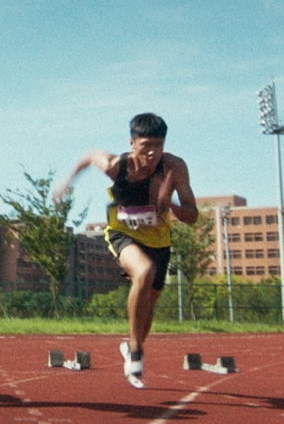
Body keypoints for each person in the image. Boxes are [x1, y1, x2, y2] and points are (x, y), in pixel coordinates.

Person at [55, 113, 198, 388]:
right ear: (132, 143)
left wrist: (170, 205)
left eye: (159, 145)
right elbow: (89, 156)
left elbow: (193, 216)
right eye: (146, 145)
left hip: (159, 240)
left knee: (149, 306)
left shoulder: (174, 168)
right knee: (144, 272)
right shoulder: (116, 166)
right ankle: (134, 348)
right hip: (122, 233)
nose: (153, 152)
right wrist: (66, 183)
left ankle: (133, 344)